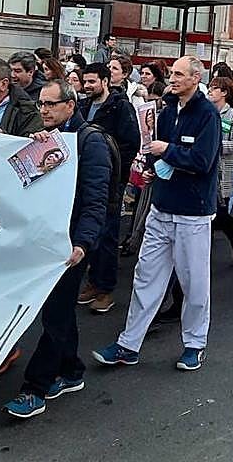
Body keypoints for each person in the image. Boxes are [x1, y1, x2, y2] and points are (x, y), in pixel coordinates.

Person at [93, 56, 220, 372]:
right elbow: (153, 152)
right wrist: (151, 170)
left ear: (195, 77)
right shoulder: (165, 113)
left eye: (179, 74)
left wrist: (168, 153)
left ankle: (194, 344)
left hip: (193, 213)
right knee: (145, 276)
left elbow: (203, 161)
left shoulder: (208, 115)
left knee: (194, 282)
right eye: (172, 74)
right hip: (161, 208)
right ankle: (128, 344)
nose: (173, 78)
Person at [2, 80, 111, 419]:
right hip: (47, 238)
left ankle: (35, 387)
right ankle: (71, 370)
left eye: (51, 104)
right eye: (41, 104)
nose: (43, 110)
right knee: (58, 309)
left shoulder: (89, 142)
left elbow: (97, 199)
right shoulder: (45, 137)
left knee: (55, 313)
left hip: (72, 243)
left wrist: (82, 244)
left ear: (70, 105)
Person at [76, 63, 141, 314]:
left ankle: (105, 289)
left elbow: (131, 142)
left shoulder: (120, 107)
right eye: (85, 82)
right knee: (89, 231)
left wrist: (113, 170)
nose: (87, 86)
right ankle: (93, 282)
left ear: (105, 81)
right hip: (84, 177)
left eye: (92, 81)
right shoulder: (82, 106)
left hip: (110, 180)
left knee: (107, 234)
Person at [207, 76, 233, 267]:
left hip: (224, 172)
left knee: (222, 215)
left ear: (224, 93)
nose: (210, 91)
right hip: (207, 170)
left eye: (215, 89)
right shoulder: (206, 112)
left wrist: (216, 145)